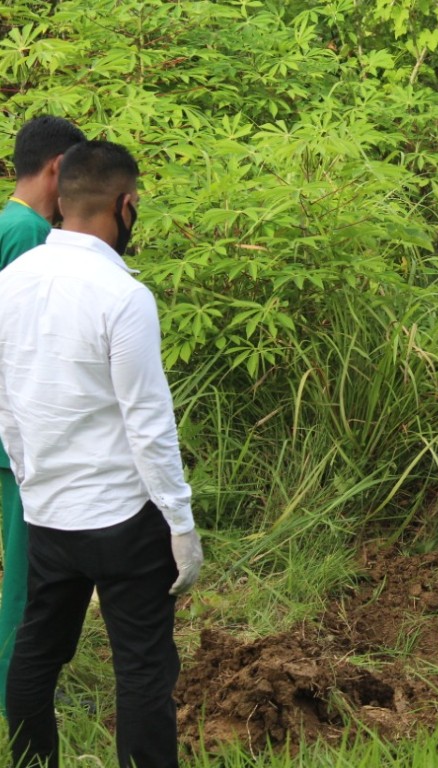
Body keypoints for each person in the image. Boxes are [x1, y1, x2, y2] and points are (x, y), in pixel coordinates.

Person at [0, 140, 204, 768]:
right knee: (143, 665)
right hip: (123, 518)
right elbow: (148, 422)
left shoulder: (10, 281)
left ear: (61, 200)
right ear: (124, 205)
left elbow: (7, 397)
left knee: (38, 652)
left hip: (48, 515)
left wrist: (31, 480)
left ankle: (33, 762)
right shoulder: (124, 297)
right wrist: (181, 522)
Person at [0, 115, 86, 718]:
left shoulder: (5, 222)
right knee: (28, 579)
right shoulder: (28, 235)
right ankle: (17, 697)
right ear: (58, 168)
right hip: (19, 440)